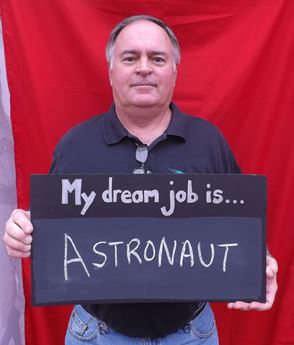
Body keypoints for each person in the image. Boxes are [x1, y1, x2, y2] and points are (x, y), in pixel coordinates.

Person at [3, 15, 278, 345]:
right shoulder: (75, 146)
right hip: (96, 335)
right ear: (111, 70)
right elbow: (47, 235)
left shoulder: (209, 143)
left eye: (157, 58)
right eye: (130, 57)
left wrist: (260, 263)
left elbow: (242, 227)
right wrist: (22, 232)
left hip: (192, 334)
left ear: (174, 71)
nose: (144, 68)